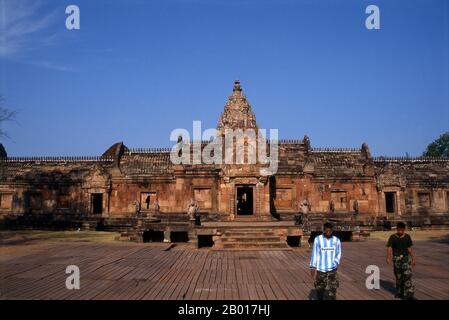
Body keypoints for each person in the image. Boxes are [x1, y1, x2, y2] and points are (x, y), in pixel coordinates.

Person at [309, 222, 342, 300]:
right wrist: (313, 267)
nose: (328, 232)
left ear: (332, 231)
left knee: (332, 291)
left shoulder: (336, 240)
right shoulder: (318, 239)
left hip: (332, 270)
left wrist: (336, 263)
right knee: (320, 290)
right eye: (326, 231)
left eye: (329, 231)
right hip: (321, 269)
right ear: (323, 230)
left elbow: (338, 253)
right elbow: (315, 253)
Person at [386, 222, 416, 300]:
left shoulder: (407, 237)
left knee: (407, 275)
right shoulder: (392, 237)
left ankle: (409, 293)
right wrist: (388, 257)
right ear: (397, 229)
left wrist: (413, 258)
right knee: (398, 276)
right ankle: (399, 292)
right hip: (396, 259)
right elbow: (389, 247)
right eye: (399, 230)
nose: (400, 232)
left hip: (405, 258)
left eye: (402, 230)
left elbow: (409, 248)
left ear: (404, 230)